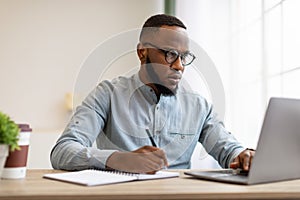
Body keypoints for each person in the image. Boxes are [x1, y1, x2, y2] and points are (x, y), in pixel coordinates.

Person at [50, 14, 255, 174]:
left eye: (184, 57)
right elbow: (62, 151)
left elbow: (228, 150)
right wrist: (119, 159)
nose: (179, 66)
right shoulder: (107, 95)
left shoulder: (199, 107)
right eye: (170, 54)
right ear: (142, 52)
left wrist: (244, 156)